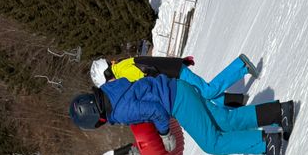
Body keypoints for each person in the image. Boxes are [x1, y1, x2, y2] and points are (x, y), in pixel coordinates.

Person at [69, 72, 295, 155]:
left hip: (176, 101)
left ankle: (267, 143)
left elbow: (155, 111)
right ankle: (279, 111)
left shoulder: (120, 110)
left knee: (212, 143)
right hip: (178, 89)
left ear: (97, 119)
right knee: (225, 121)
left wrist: (165, 134)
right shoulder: (111, 91)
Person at [90, 54, 258, 108]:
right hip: (173, 75)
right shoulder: (121, 69)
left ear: (107, 73)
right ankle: (240, 101)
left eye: (107, 84)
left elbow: (147, 83)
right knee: (201, 96)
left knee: (206, 91)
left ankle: (241, 65)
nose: (110, 87)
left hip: (175, 73)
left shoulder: (124, 72)